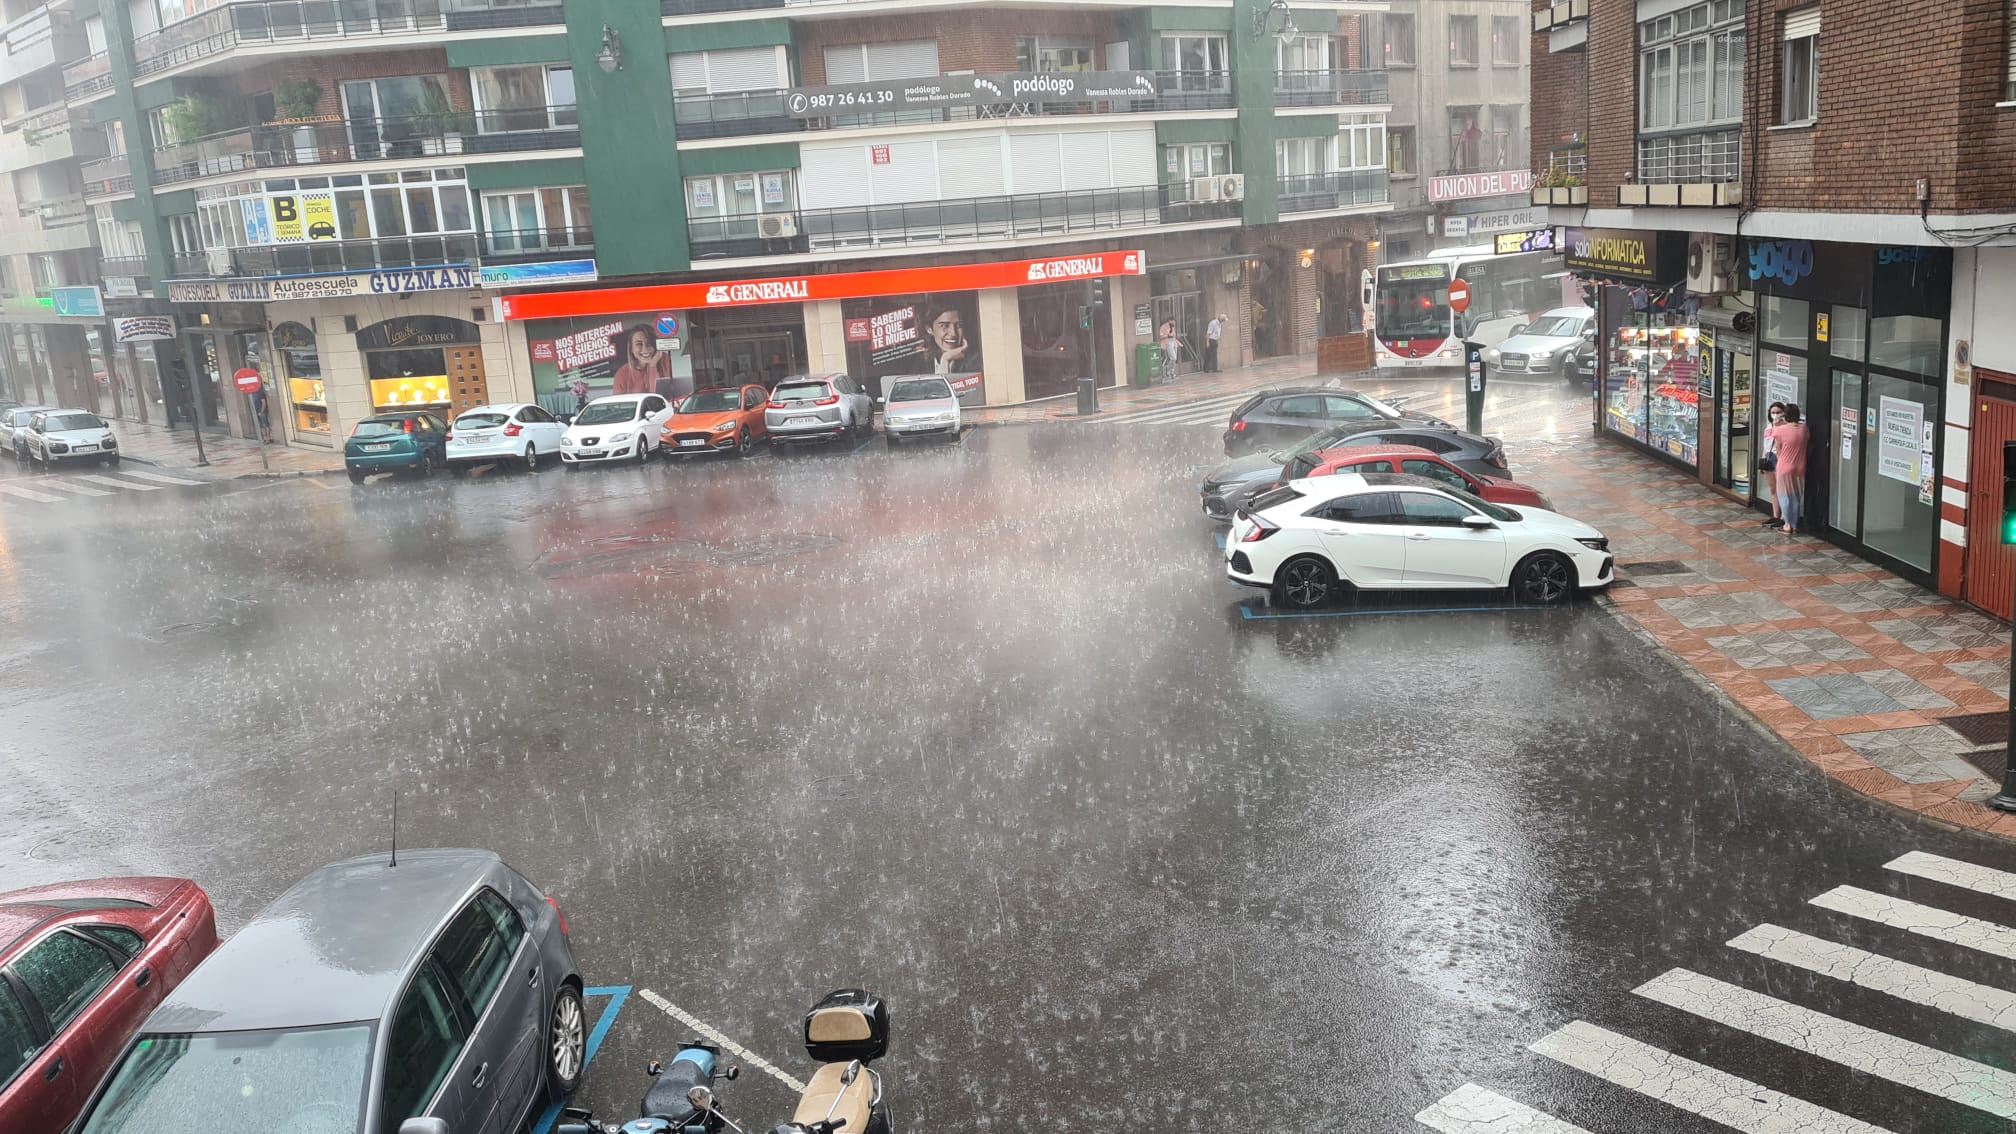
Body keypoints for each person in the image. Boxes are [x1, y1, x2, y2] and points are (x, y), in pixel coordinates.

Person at [1766, 402, 1810, 537]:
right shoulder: (1804, 429)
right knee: (1796, 495)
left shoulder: (1780, 431)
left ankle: (1787, 525)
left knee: (1784, 496)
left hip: (1784, 466)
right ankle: (1795, 525)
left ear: (1785, 415)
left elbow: (1778, 449)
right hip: (1800, 465)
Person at [611, 325, 670, 397]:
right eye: (639, 344)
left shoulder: (665, 362)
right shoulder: (621, 374)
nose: (645, 349)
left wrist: (652, 366)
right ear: (631, 349)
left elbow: (658, 397)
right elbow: (619, 405)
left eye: (649, 343)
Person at [923, 303, 981, 375]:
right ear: (929, 329)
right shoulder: (919, 363)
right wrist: (945, 359)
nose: (953, 333)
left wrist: (946, 358)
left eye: (959, 325)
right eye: (945, 326)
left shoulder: (975, 361)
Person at [1757, 402, 1785, 528]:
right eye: (1773, 412)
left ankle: (1784, 516)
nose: (1775, 415)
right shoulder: (1768, 427)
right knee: (1773, 488)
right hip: (1768, 457)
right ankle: (1775, 515)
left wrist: (1778, 427)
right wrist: (1762, 461)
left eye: (1778, 412)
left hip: (1779, 459)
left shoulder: (1784, 428)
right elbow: (1766, 445)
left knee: (1782, 489)